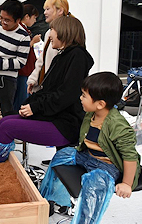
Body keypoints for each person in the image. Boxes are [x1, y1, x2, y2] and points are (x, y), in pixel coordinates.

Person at [0, 16, 94, 164]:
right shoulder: (63, 56)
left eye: (52, 30)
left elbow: (66, 94)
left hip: (64, 125)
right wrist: (29, 105)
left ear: (64, 31)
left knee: (7, 126)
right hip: (53, 116)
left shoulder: (77, 56)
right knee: (3, 122)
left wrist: (35, 107)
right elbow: (49, 90)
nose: (49, 35)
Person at [40, 72, 141, 223]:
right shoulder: (90, 113)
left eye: (84, 95)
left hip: (107, 166)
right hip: (87, 156)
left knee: (94, 187)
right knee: (62, 155)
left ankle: (84, 221)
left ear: (100, 104)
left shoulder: (118, 126)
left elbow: (130, 156)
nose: (80, 98)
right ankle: (50, 200)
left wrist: (126, 183)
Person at [27, 0, 72, 94]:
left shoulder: (68, 32)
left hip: (59, 89)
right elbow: (42, 59)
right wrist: (34, 79)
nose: (45, 12)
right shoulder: (49, 33)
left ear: (60, 10)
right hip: (48, 87)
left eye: (48, 9)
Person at [13, 4, 41, 111]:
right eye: (34, 18)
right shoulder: (19, 30)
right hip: (22, 70)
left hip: (25, 70)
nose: (35, 21)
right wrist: (33, 41)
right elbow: (19, 48)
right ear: (27, 16)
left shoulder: (24, 29)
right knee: (21, 100)